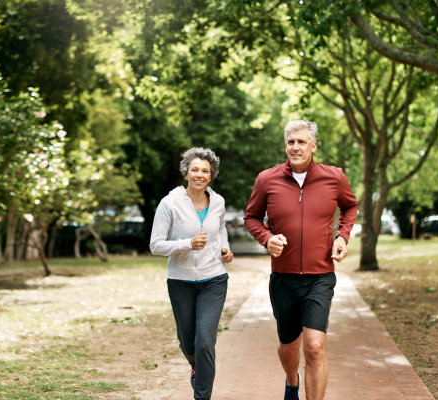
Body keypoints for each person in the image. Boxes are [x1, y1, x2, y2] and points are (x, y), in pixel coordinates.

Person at [244, 120, 358, 400]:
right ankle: (291, 381)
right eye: (291, 142)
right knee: (289, 347)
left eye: (301, 142)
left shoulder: (335, 177)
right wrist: (267, 239)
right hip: (283, 278)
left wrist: (342, 236)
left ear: (313, 145)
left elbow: (350, 205)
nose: (295, 147)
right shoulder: (266, 179)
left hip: (320, 276)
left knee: (314, 346)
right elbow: (251, 217)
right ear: (286, 145)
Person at [150, 147, 234, 400]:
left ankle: (202, 396)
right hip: (180, 281)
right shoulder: (170, 203)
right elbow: (155, 245)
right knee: (188, 342)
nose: (199, 174)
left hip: (214, 279)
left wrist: (225, 249)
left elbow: (221, 231)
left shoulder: (217, 201)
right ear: (186, 172)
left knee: (205, 342)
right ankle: (198, 369)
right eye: (195, 170)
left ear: (211, 176)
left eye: (205, 171)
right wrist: (186, 243)